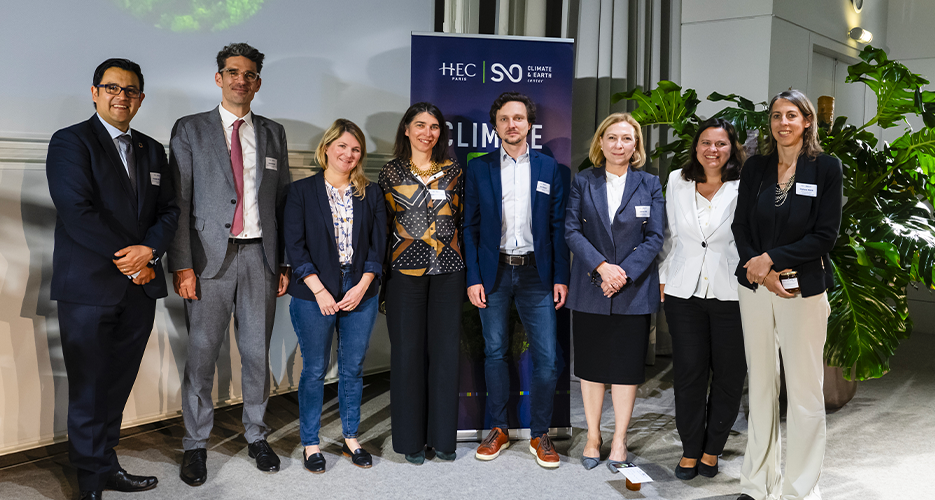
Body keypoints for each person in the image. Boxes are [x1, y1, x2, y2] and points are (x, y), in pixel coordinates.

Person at [46, 58, 179, 500]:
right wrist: (131, 258)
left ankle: (106, 464)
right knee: (89, 387)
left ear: (141, 98)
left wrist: (151, 252)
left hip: (139, 290)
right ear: (95, 92)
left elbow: (169, 211)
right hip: (88, 288)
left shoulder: (152, 149)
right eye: (112, 87)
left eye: (131, 90)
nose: (121, 96)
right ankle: (88, 482)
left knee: (117, 385)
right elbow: (77, 212)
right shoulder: (71, 142)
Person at [167, 43, 291, 485]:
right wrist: (181, 265)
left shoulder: (273, 132)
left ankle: (257, 433)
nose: (242, 80)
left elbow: (282, 201)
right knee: (201, 354)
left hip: (261, 256)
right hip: (206, 260)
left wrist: (285, 262)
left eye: (250, 74)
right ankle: (195, 444)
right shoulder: (190, 129)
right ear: (218, 78)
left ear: (258, 82)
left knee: (257, 352)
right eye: (233, 72)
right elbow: (178, 202)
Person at [731, 89, 842, 500]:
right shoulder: (756, 167)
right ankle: (758, 484)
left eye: (792, 115)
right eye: (777, 116)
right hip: (756, 289)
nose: (783, 123)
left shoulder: (825, 168)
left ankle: (799, 489)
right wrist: (758, 269)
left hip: (803, 290)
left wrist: (771, 261)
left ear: (807, 121)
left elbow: (824, 236)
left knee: (804, 391)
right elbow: (741, 226)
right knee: (759, 385)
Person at [463, 91, 570, 469]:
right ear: (495, 125)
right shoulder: (479, 168)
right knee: (494, 352)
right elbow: (470, 228)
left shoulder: (549, 168)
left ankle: (540, 434)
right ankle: (499, 428)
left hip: (536, 273)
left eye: (519, 118)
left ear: (529, 124)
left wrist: (560, 276)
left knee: (546, 358)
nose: (512, 125)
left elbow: (557, 228)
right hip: (492, 274)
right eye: (505, 119)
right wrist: (473, 277)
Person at [564, 113, 664, 472]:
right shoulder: (583, 181)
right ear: (601, 143)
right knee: (590, 367)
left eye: (626, 139)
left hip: (632, 290)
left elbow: (655, 236)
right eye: (612, 138)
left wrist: (624, 274)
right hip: (592, 285)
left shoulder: (650, 183)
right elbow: (572, 231)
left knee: (625, 369)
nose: (619, 145)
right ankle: (593, 436)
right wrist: (602, 268)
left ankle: (619, 438)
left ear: (635, 145)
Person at [284, 119, 386, 472]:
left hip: (361, 290)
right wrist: (319, 290)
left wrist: (361, 287)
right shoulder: (301, 192)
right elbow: (294, 247)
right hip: (314, 293)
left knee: (353, 368)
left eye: (356, 149)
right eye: (342, 146)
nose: (349, 153)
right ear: (327, 147)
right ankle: (311, 443)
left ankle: (350, 437)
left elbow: (378, 245)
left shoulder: (370, 192)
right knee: (314, 370)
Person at [657, 118, 746, 480]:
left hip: (733, 292)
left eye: (721, 144)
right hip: (684, 291)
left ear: (732, 148)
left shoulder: (746, 183)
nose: (713, 150)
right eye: (706, 143)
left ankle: (713, 449)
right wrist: (664, 277)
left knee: (729, 375)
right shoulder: (677, 180)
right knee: (689, 373)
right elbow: (668, 234)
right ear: (696, 147)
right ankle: (691, 449)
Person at [379, 103, 464, 464]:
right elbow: (381, 227)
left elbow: (463, 221)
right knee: (407, 356)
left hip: (448, 272)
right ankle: (411, 441)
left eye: (434, 127)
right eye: (420, 125)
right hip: (405, 275)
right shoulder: (390, 173)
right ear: (406, 130)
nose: (427, 132)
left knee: (445, 356)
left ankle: (443, 439)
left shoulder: (454, 171)